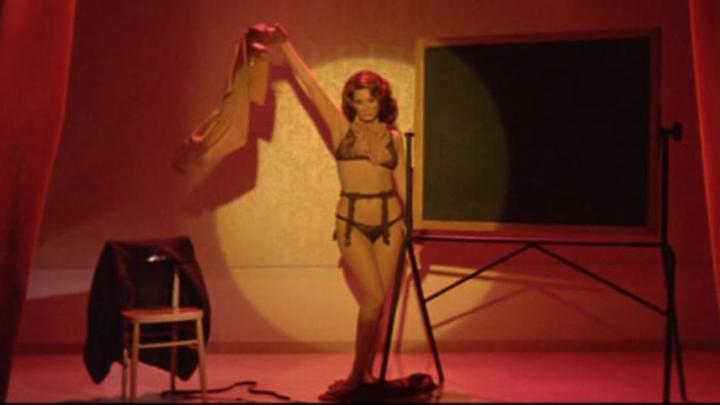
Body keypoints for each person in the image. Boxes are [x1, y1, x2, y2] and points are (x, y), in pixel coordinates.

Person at [265, 24, 407, 401]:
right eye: (358, 101)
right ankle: (356, 376)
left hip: (391, 224)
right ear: (351, 103)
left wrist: (416, 232)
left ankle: (364, 374)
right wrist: (285, 45)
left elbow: (406, 189)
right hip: (352, 223)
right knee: (373, 299)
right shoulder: (341, 129)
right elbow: (312, 88)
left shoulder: (395, 139)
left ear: (381, 100)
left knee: (378, 304)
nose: (365, 108)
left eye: (371, 101)